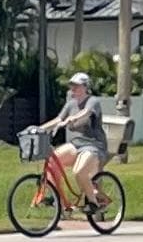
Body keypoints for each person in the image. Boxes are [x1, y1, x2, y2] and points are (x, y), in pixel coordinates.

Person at [45, 69, 107, 209]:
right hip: (77, 144)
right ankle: (59, 203)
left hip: (94, 146)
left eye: (77, 85)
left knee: (79, 172)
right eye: (72, 85)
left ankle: (93, 202)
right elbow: (58, 119)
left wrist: (74, 117)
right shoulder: (70, 104)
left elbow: (86, 112)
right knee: (52, 162)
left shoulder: (93, 101)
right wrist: (39, 129)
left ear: (85, 87)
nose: (73, 88)